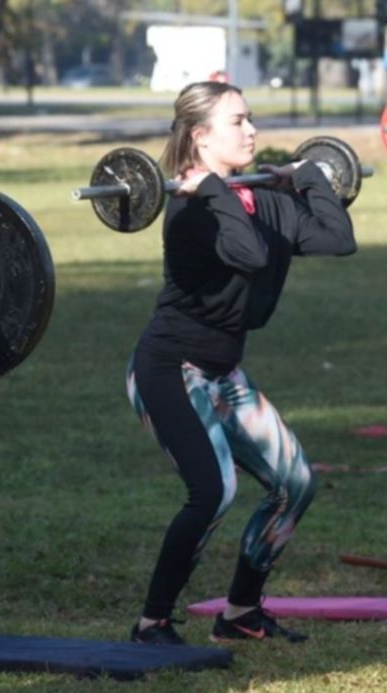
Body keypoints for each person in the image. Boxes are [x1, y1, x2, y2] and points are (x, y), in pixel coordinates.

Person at [125, 81, 356, 645]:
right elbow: (249, 253)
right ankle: (152, 621)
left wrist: (309, 180)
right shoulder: (187, 213)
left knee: (295, 483)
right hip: (170, 369)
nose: (252, 131)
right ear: (200, 137)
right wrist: (213, 191)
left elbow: (336, 238)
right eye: (237, 122)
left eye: (251, 119)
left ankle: (241, 612)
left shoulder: (267, 198)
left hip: (224, 373)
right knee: (213, 492)